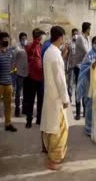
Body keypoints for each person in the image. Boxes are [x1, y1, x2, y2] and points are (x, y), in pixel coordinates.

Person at [41, 26, 70, 171]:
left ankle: (51, 156)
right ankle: (54, 160)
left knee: (50, 127)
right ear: (60, 37)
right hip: (57, 98)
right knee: (59, 130)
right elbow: (60, 79)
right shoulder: (55, 55)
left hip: (50, 96)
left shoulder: (49, 52)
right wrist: (65, 99)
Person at [0, 32, 18, 132]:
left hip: (9, 82)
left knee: (8, 105)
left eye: (7, 39)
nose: (6, 41)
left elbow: (12, 66)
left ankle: (8, 123)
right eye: (4, 40)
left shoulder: (10, 52)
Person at [77, 36, 96, 136]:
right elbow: (84, 68)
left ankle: (95, 127)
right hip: (89, 83)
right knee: (89, 105)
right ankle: (88, 128)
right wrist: (94, 63)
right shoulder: (89, 55)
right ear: (92, 44)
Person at [23, 29, 46, 128]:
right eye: (39, 36)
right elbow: (30, 50)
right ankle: (29, 120)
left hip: (41, 77)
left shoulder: (42, 47)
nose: (41, 38)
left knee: (41, 99)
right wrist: (36, 40)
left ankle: (39, 118)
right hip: (31, 78)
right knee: (30, 100)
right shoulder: (29, 46)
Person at [73, 22, 92, 120]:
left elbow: (90, 50)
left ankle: (84, 111)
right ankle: (77, 112)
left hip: (86, 66)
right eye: (89, 29)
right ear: (87, 29)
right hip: (79, 67)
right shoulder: (80, 38)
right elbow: (87, 51)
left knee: (85, 89)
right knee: (78, 89)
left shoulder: (88, 38)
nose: (90, 31)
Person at [13, 32, 29, 117]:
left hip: (27, 73)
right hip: (19, 73)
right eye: (23, 39)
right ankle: (17, 110)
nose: (25, 40)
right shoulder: (17, 49)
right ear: (20, 40)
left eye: (25, 38)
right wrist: (13, 70)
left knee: (26, 93)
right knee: (18, 93)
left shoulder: (28, 48)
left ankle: (24, 109)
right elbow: (14, 60)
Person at [66, 28, 79, 103]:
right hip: (71, 66)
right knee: (70, 82)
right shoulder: (69, 43)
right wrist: (66, 66)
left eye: (76, 33)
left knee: (78, 83)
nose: (75, 35)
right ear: (72, 35)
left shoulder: (80, 43)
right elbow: (67, 54)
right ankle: (69, 97)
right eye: (74, 34)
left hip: (78, 66)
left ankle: (77, 98)